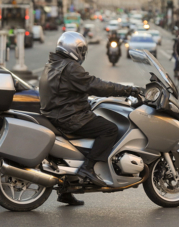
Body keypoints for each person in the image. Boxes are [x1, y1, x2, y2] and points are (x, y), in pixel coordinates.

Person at [39, 32, 142, 205]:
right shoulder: (70, 67)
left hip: (56, 113)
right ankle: (89, 168)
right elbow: (94, 84)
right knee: (110, 129)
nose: (82, 53)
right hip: (69, 117)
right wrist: (128, 90)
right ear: (73, 49)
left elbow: (65, 91)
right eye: (81, 49)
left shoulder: (53, 63)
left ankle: (65, 191)